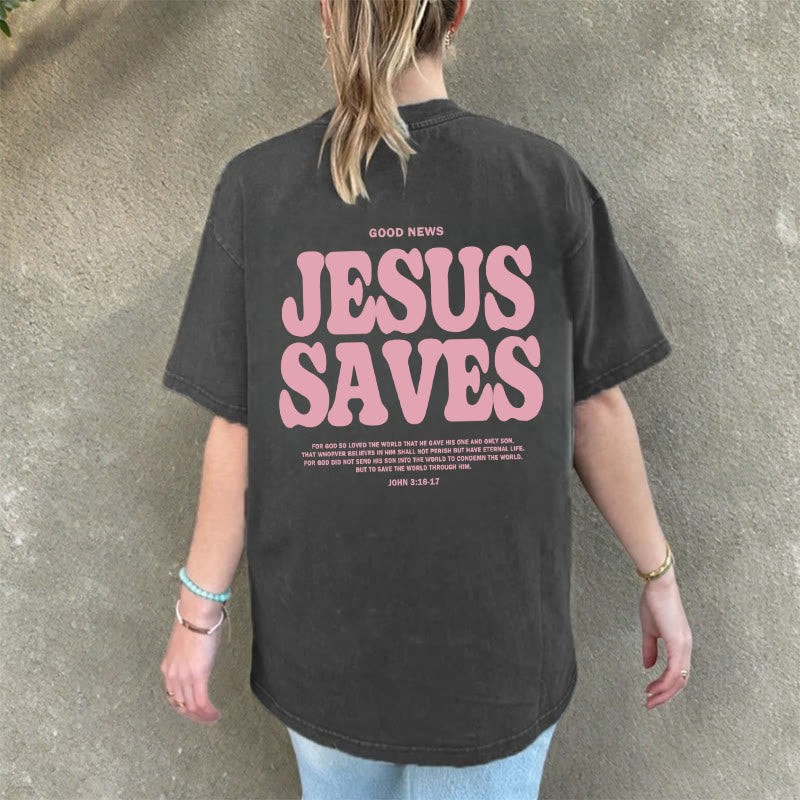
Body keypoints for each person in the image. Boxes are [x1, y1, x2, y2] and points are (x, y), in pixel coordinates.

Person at [158, 0, 694, 797]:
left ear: (327, 15)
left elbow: (239, 432)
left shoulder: (256, 188)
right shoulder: (542, 178)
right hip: (495, 660)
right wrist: (659, 575)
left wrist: (198, 615)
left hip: (327, 654)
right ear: (460, 11)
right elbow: (595, 411)